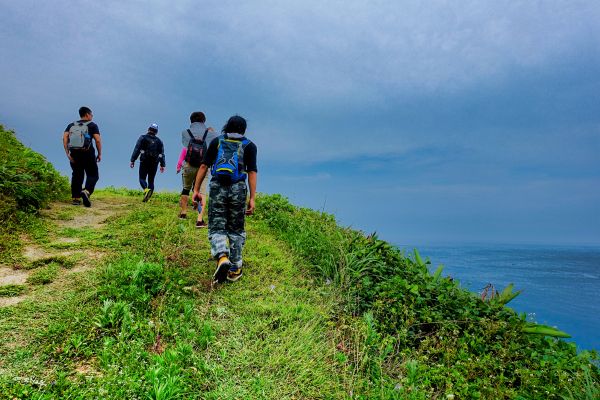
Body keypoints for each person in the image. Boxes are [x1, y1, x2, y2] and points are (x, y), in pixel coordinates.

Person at [193, 115, 258, 283]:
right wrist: (252, 198)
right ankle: (235, 268)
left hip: (217, 187)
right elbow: (252, 172)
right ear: (243, 129)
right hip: (238, 189)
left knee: (216, 224)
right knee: (236, 228)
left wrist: (196, 189)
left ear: (227, 127)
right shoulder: (250, 146)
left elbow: (203, 166)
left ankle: (222, 256)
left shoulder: (217, 142)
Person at [177, 111, 218, 227]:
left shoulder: (185, 132)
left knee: (185, 188)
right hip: (203, 166)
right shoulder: (211, 133)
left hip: (189, 165)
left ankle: (183, 213)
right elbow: (215, 145)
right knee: (202, 192)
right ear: (204, 121)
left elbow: (185, 146)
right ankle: (199, 220)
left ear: (191, 121)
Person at [62, 106, 102, 207]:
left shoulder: (71, 125)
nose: (92, 116)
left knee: (77, 174)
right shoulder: (92, 125)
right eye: (91, 115)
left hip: (74, 154)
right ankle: (87, 191)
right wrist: (99, 153)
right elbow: (97, 140)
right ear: (87, 114)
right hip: (88, 154)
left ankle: (76, 198)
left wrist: (68, 153)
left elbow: (65, 138)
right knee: (93, 174)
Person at [130, 123, 165, 202]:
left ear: (148, 129)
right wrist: (162, 165)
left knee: (142, 178)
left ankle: (146, 190)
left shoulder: (143, 137)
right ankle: (148, 197)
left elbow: (137, 149)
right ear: (156, 132)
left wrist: (133, 160)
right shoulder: (159, 141)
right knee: (151, 181)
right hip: (155, 162)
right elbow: (162, 154)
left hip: (144, 161)